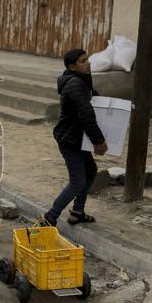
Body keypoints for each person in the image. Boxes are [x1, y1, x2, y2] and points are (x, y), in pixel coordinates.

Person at [42, 48, 108, 227]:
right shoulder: (74, 84)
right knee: (78, 181)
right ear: (72, 67)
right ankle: (49, 217)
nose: (88, 63)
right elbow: (86, 114)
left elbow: (92, 99)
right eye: (83, 61)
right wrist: (99, 141)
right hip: (70, 140)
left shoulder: (82, 79)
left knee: (91, 170)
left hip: (78, 138)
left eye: (87, 59)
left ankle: (78, 212)